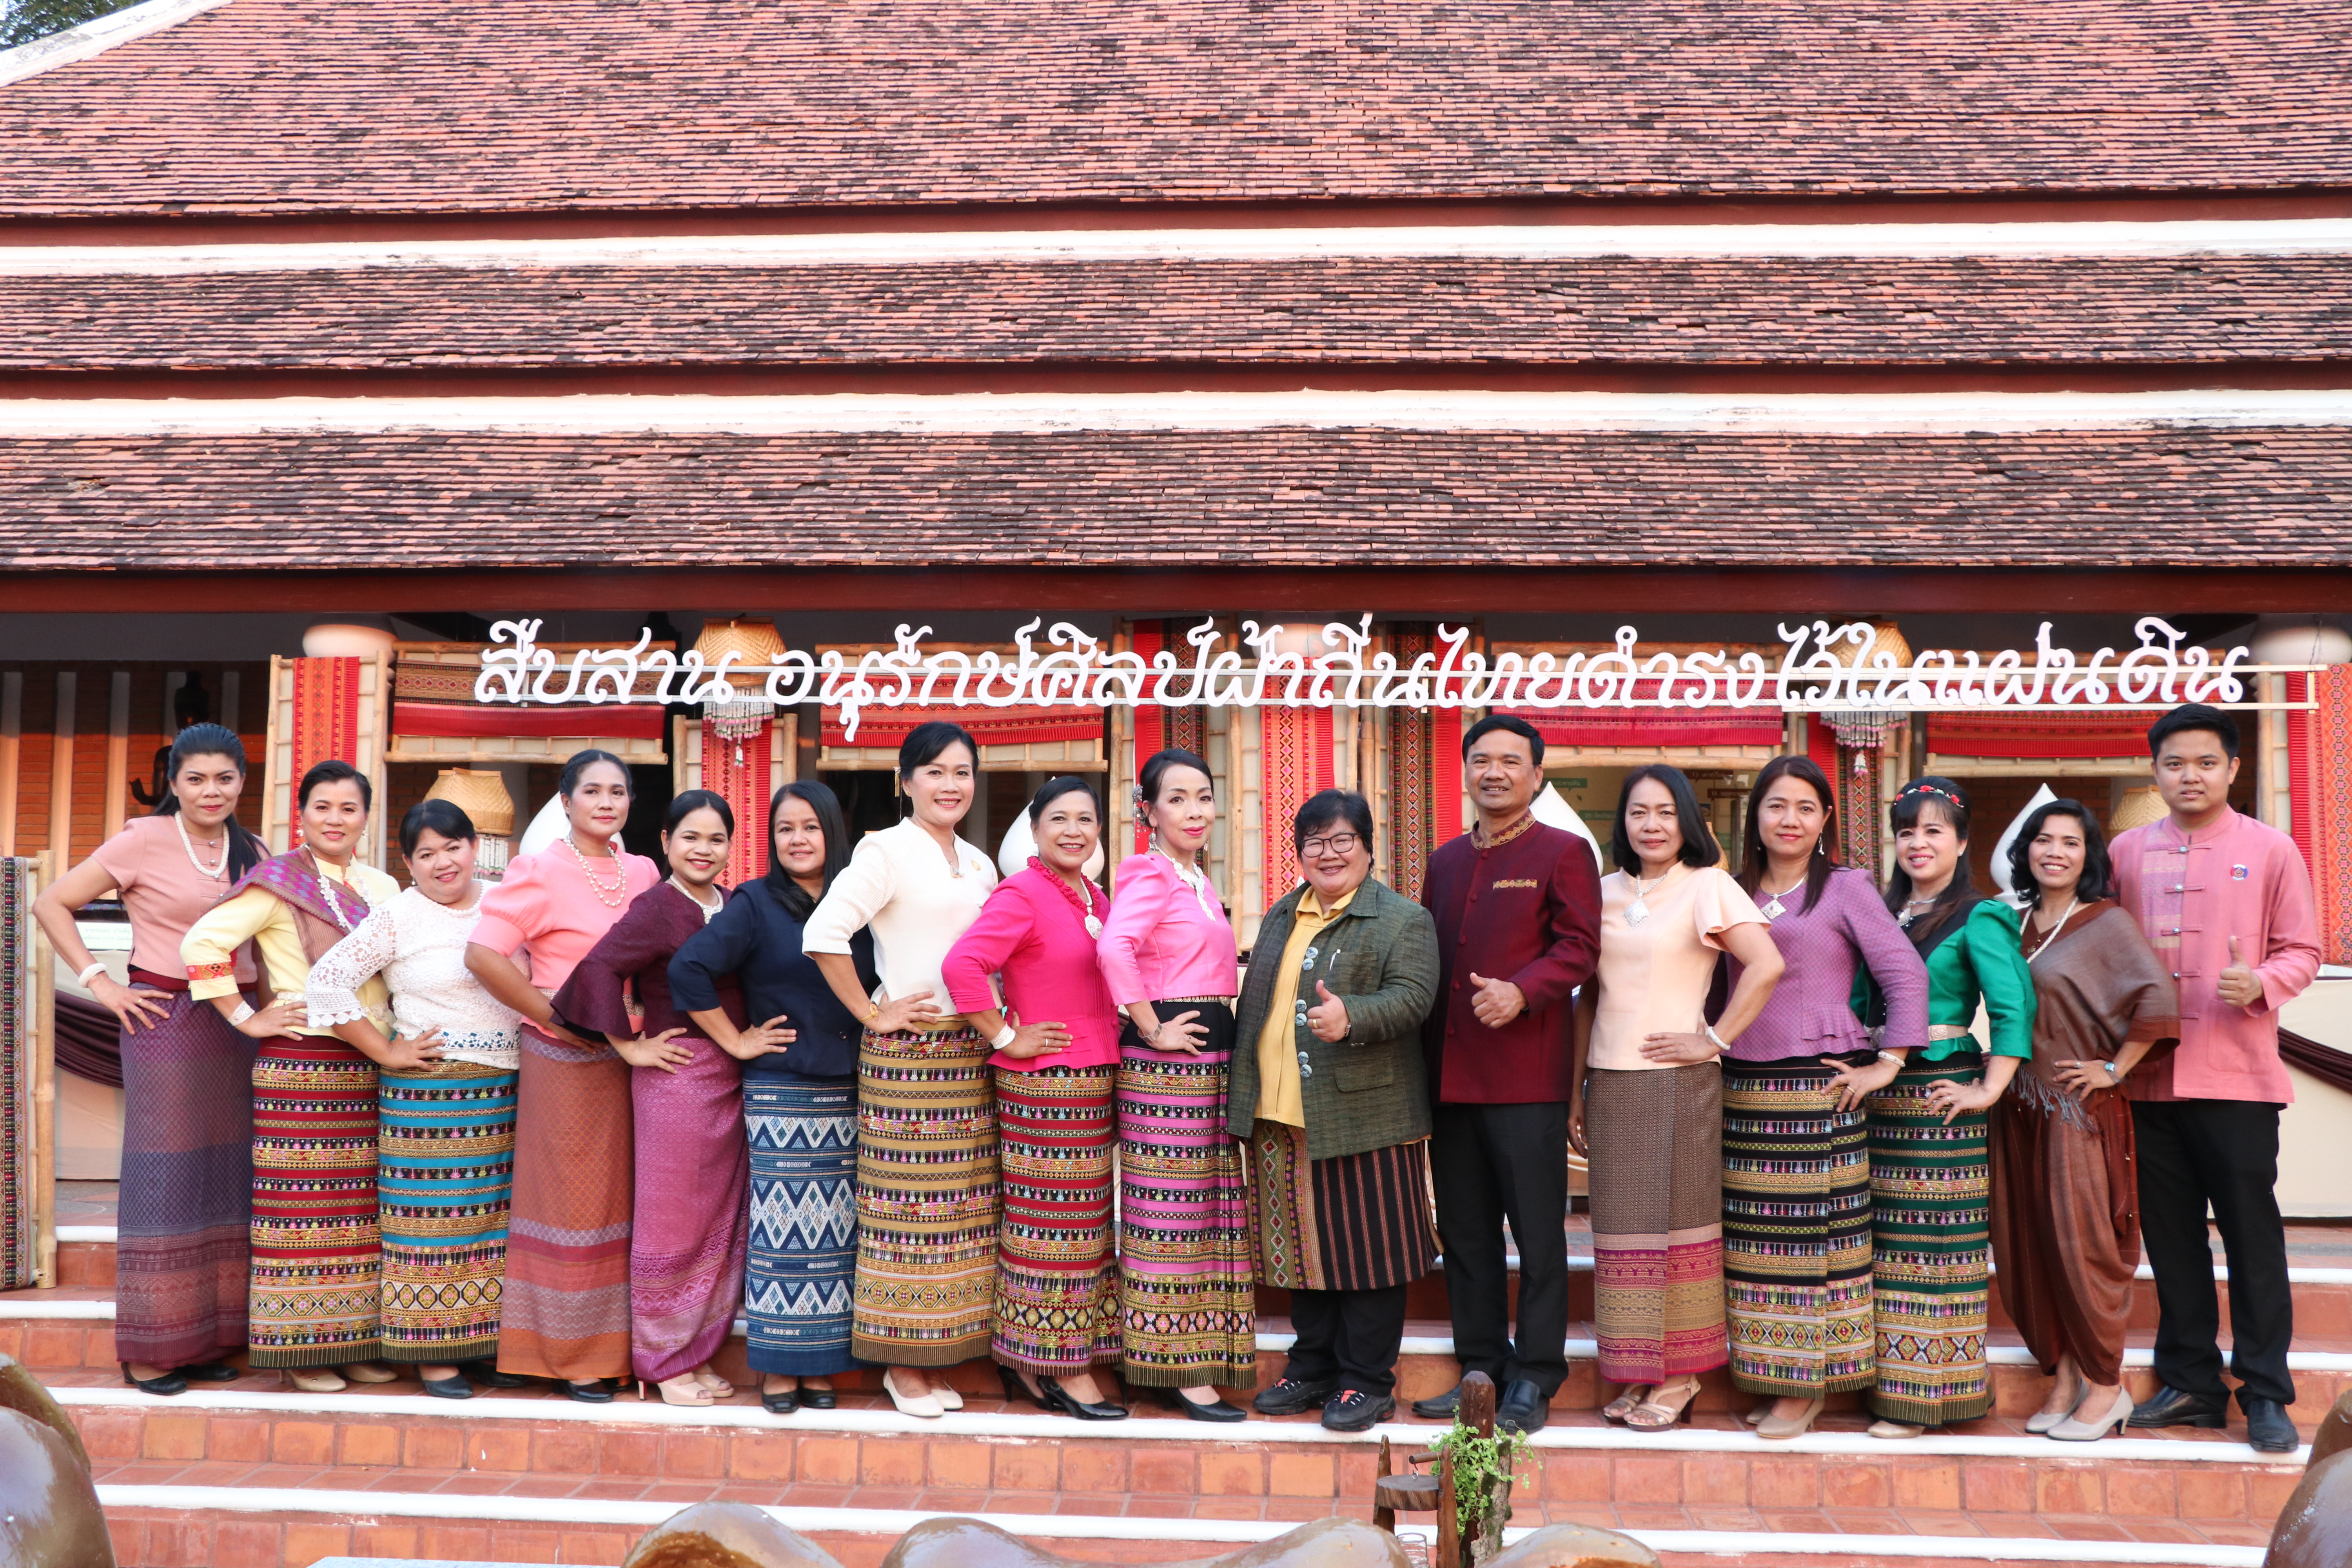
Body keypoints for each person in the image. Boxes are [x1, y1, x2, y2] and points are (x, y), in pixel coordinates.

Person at [32, 723, 270, 1395]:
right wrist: (101, 984)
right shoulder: (143, 838)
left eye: (225, 778)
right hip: (164, 1017)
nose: (211, 791)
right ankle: (150, 1350)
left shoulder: (252, 847)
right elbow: (53, 903)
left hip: (239, 1022)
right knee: (164, 1175)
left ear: (242, 782)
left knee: (224, 1175)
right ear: (174, 783)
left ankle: (204, 1340)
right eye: (195, 779)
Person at [2114, 704, 2319, 1454]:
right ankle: (2191, 1383)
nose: (2189, 776)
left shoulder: (2270, 849)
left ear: (2234, 768)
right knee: (2170, 1240)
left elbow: (2304, 947)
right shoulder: (2127, 851)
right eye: (2175, 763)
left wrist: (2260, 982)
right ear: (2156, 771)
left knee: (2251, 1238)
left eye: (2205, 762)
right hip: (2148, 1079)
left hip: (2236, 1077)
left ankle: (2266, 1391)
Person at [1719, 754, 1929, 1439]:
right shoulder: (1730, 889)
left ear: (1826, 821)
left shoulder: (1845, 888)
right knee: (1758, 1245)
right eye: (1777, 805)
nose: (1791, 820)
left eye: (1807, 808)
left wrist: (1889, 1062)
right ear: (1757, 816)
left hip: (1818, 1085)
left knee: (1813, 1244)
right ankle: (1770, 1371)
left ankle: (1805, 1387)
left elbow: (1904, 974)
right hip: (1743, 1085)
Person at [1570, 764, 1780, 1432]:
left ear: (1685, 820)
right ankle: (1640, 1372)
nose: (1652, 825)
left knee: (1681, 1230)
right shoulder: (1600, 892)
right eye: (1638, 813)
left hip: (1678, 1082)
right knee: (1623, 1237)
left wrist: (1712, 1040)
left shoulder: (1708, 887)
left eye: (1665, 812)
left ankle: (1683, 1373)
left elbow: (1768, 964)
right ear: (1622, 823)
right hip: (1610, 1083)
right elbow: (1591, 996)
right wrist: (1577, 1085)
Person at [180, 759, 402, 1391]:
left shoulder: (383, 887)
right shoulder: (276, 882)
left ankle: (352, 1341)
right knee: (301, 1217)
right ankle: (304, 1353)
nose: (336, 819)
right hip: (300, 1069)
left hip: (367, 1065)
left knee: (357, 1218)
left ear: (366, 818)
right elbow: (201, 944)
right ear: (300, 814)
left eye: (349, 808)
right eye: (323, 807)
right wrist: (246, 1017)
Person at [804, 721, 1000, 1418]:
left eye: (963, 772)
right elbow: (823, 934)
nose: (951, 785)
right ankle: (900, 1366)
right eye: (936, 772)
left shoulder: (979, 864)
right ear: (906, 780)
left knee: (957, 1216)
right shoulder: (883, 849)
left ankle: (937, 1350)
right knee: (903, 1213)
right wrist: (871, 1013)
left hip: (967, 1052)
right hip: (908, 1056)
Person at [1412, 714, 1600, 1436]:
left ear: (1536, 775)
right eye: (1481, 760)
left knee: (1539, 1236)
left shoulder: (1562, 851)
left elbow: (1581, 948)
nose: (1494, 772)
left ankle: (1538, 1374)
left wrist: (1523, 990)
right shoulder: (1448, 860)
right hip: (1452, 1078)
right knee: (1465, 1234)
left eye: (1510, 762)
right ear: (1466, 772)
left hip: (1526, 1079)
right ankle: (1481, 1371)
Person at [1229, 789, 1440, 1432]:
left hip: (1365, 1114)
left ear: (1369, 848)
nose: (1328, 853)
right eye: (1314, 842)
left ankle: (1366, 1380)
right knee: (1297, 1250)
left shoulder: (1403, 919)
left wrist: (1354, 1018)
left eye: (1342, 840)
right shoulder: (1281, 915)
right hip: (1278, 1112)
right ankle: (1312, 1365)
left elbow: (1414, 997)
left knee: (1367, 1251)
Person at [306, 799, 526, 1400]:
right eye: (426, 854)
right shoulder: (397, 916)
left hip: (506, 1087)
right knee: (431, 1226)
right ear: (408, 864)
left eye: (453, 847)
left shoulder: (507, 900)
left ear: (474, 848)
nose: (442, 863)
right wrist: (385, 1051)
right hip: (429, 1095)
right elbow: (325, 981)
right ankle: (433, 1356)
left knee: (491, 1226)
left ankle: (479, 1344)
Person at [552, 790, 764, 1406]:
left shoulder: (732, 904)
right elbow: (597, 969)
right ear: (666, 843)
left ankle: (694, 1351)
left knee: (719, 1222)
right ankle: (661, 1360)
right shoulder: (656, 907)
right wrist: (629, 1047)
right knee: (671, 1223)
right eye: (690, 837)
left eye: (716, 839)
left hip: (732, 1073)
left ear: (731, 846)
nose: (703, 850)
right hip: (676, 1078)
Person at [465, 748, 660, 1402]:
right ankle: (567, 1356)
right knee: (572, 1206)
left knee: (620, 1204)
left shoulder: (641, 871)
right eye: (593, 792)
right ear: (567, 801)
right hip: (563, 1055)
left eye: (619, 792)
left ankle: (615, 1351)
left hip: (628, 1055)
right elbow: (483, 956)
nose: (607, 803)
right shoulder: (539, 868)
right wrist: (553, 1015)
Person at [671, 781, 872, 1416]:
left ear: (832, 832)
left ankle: (823, 1368)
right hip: (783, 1089)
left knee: (838, 1234)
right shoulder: (757, 902)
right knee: (784, 1234)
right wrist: (735, 1039)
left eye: (811, 827)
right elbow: (689, 969)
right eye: (786, 829)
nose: (798, 840)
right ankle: (781, 1368)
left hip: (853, 1083)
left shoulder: (862, 895)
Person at [1851, 778, 2035, 1439]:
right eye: (1907, 832)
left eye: (1933, 831)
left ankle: (1926, 1399)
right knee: (1883, 1247)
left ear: (1961, 842)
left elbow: (2014, 1007)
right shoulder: (1879, 910)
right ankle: (1884, 1384)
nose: (1918, 843)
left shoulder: (1979, 916)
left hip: (1941, 1098)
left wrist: (1988, 1088)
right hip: (1880, 1097)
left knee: (1931, 1250)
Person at [1990, 799, 2178, 1442]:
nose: (2055, 852)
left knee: (2081, 1249)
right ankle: (2067, 1377)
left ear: (2089, 856)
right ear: (2025, 850)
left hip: (2075, 1110)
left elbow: (2157, 996)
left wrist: (2115, 1069)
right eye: (2043, 840)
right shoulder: (2013, 924)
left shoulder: (2106, 923)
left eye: (2071, 843)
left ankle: (2106, 1386)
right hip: (2015, 1107)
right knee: (2031, 1247)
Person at [942, 777, 1127, 1420]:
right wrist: (1006, 1034)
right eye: (1059, 819)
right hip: (1046, 1083)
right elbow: (963, 965)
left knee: (1081, 1227)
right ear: (1035, 829)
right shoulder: (1023, 891)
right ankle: (1058, 1366)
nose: (1074, 830)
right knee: (1054, 1229)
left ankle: (1037, 1355)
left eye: (1086, 818)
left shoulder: (1091, 894)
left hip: (1092, 1075)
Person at [1096, 746, 1255, 1420]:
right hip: (1170, 1065)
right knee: (1172, 1216)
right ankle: (1171, 1367)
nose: (1195, 811)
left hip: (1205, 1059)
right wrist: (1152, 1026)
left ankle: (1195, 1356)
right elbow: (1112, 947)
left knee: (1205, 1210)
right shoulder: (1152, 875)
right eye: (1178, 799)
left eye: (1203, 797)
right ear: (1149, 812)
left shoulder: (1193, 878)